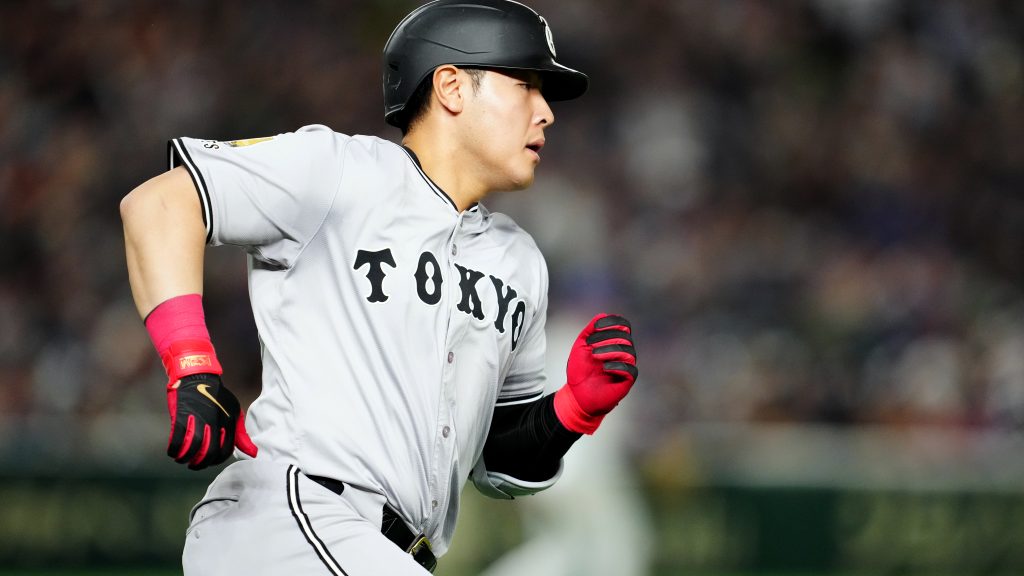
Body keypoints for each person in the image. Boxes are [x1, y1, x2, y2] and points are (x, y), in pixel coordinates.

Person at [120, 1, 638, 574]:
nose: (546, 112)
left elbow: (499, 466)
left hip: (389, 550)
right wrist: (191, 363)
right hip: (292, 518)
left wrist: (572, 410)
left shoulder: (519, 263)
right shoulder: (341, 170)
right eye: (526, 85)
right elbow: (161, 203)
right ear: (452, 88)